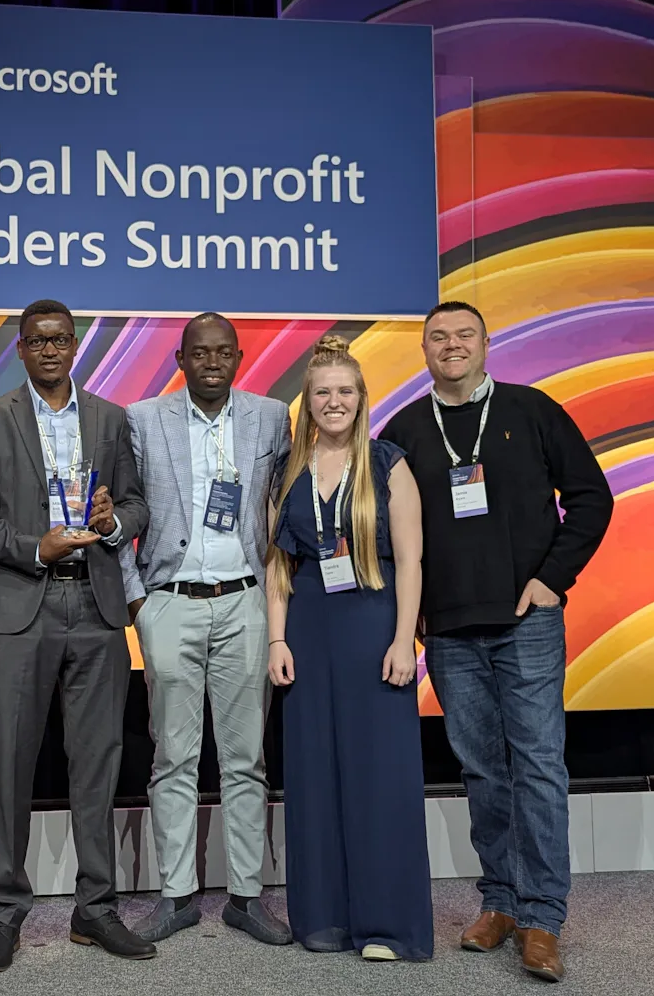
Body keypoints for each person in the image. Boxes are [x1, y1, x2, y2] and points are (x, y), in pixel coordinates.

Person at [378, 301, 613, 984]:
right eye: (438, 337)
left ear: (487, 344)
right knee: (483, 771)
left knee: (538, 765)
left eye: (464, 335)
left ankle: (543, 917)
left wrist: (550, 580)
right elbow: (393, 535)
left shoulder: (531, 409)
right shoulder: (404, 431)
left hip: (527, 624)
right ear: (423, 349)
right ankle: (500, 902)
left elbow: (592, 498)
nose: (451, 346)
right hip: (451, 631)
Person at [0, 298, 155, 972]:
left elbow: (135, 503)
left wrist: (112, 520)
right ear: (20, 348)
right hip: (22, 607)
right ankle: (5, 914)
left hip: (96, 607)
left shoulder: (110, 418)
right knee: (10, 762)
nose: (49, 350)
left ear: (75, 346)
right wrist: (32, 548)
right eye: (37, 341)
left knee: (96, 761)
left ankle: (95, 909)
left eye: (60, 339)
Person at [118, 313, 293, 946]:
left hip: (246, 603)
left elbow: (282, 510)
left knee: (247, 759)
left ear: (239, 357)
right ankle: (176, 896)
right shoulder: (142, 421)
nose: (212, 362)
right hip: (170, 604)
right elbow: (121, 508)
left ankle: (247, 896)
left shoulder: (272, 418)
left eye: (223, 352)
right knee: (174, 757)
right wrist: (140, 602)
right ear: (180, 359)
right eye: (199, 352)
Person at [265, 334, 432, 963]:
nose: (333, 402)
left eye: (344, 392)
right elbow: (278, 565)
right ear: (306, 403)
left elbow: (412, 561)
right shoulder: (289, 470)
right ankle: (326, 918)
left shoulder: (389, 464)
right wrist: (277, 637)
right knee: (313, 776)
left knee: (377, 776)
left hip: (372, 627)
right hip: (307, 630)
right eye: (321, 393)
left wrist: (402, 638)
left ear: (362, 399)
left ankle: (387, 926)